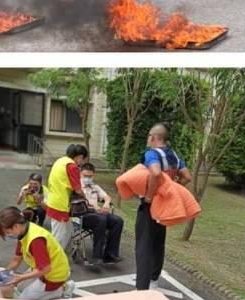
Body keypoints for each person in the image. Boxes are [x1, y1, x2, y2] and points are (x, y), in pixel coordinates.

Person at [135, 124, 192, 291]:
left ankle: (142, 287)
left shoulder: (151, 154)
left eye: (148, 136)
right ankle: (153, 280)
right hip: (165, 206)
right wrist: (173, 187)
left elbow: (155, 172)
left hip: (150, 205)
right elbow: (187, 177)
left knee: (144, 245)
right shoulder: (173, 155)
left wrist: (149, 196)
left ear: (153, 137)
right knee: (158, 242)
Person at [1, 207, 74, 300]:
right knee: (19, 288)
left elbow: (46, 269)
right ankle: (56, 287)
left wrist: (21, 277)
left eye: (8, 232)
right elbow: (16, 260)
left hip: (54, 275)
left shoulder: (36, 240)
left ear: (16, 226)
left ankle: (63, 288)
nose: (8, 235)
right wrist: (3, 276)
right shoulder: (23, 231)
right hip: (42, 268)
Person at [44, 144, 88, 251]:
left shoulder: (61, 161)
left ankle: (60, 257)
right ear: (80, 156)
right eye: (83, 160)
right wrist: (86, 197)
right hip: (60, 203)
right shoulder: (72, 166)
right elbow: (77, 189)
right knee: (59, 236)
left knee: (68, 231)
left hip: (54, 199)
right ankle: (53, 262)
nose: (82, 163)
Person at [79, 163, 123, 265]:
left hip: (99, 213)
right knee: (101, 219)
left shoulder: (95, 187)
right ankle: (97, 256)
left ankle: (110, 254)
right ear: (80, 174)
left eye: (90, 176)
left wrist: (106, 204)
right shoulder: (77, 187)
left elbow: (107, 197)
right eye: (85, 176)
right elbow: (79, 201)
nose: (87, 178)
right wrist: (95, 207)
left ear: (93, 175)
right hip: (84, 214)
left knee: (118, 221)